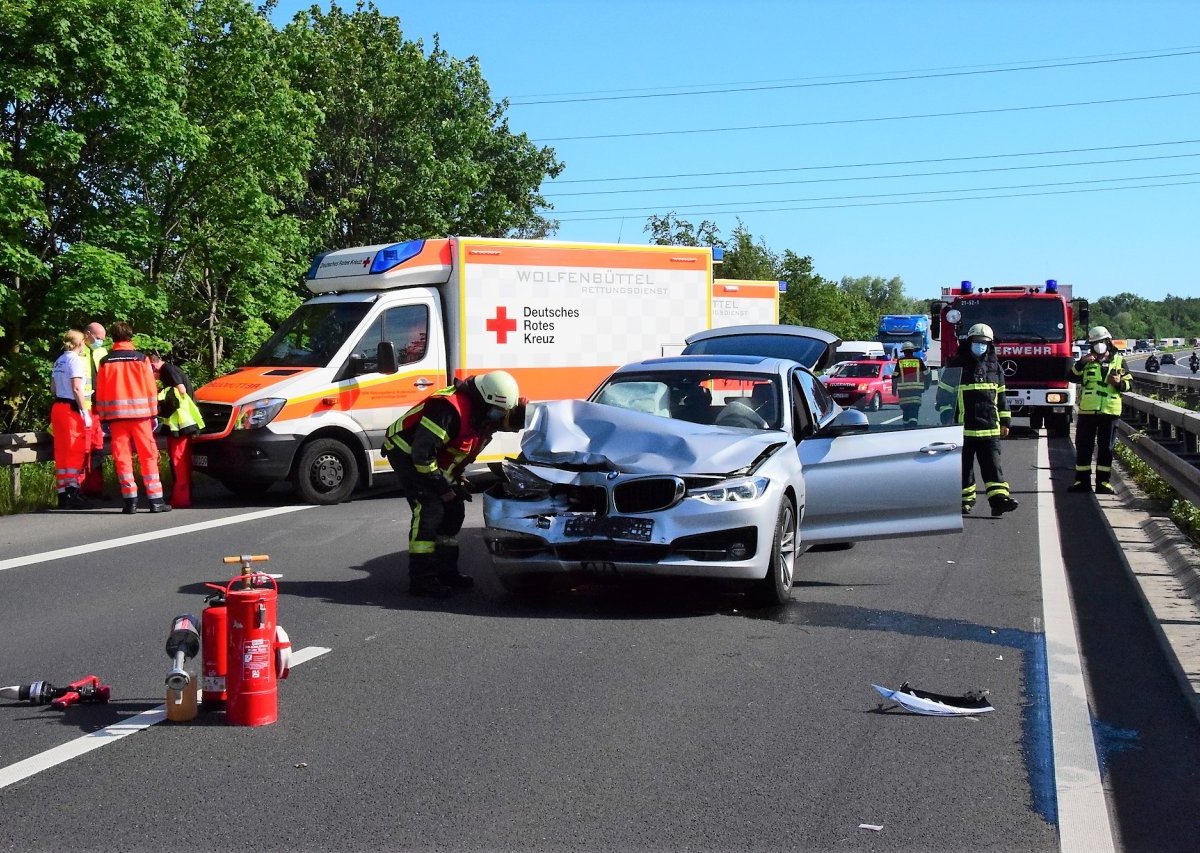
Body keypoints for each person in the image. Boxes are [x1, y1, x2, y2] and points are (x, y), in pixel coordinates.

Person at [381, 371, 526, 597]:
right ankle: (422, 580)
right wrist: (442, 488)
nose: (499, 418)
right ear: (484, 399)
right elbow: (422, 456)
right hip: (407, 453)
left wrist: (456, 477)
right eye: (498, 412)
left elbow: (465, 445)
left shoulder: (484, 412)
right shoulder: (447, 409)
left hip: (432, 460)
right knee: (430, 509)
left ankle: (447, 572)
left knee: (454, 511)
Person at [936, 323, 1019, 517]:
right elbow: (944, 396)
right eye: (977, 342)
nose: (980, 345)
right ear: (969, 342)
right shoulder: (956, 365)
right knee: (963, 469)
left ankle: (999, 501)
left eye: (984, 342)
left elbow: (1002, 397)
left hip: (990, 429)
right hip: (962, 429)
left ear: (990, 345)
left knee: (993, 468)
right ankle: (964, 502)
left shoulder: (995, 367)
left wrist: (1006, 422)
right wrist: (947, 418)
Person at [94, 321, 171, 513]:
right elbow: (150, 388)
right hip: (141, 417)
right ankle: (155, 501)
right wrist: (154, 412)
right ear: (130, 337)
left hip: (116, 418)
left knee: (122, 458)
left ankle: (130, 502)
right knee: (148, 456)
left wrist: (103, 416)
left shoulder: (105, 362)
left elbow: (101, 391)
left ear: (113, 337)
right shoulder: (141, 359)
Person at [1069, 326, 1132, 495]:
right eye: (1095, 343)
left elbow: (1129, 385)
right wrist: (1081, 362)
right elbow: (1072, 377)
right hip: (1088, 411)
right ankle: (1081, 481)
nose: (1098, 346)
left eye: (1101, 342)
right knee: (1084, 448)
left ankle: (1103, 483)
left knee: (1106, 449)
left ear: (1108, 342)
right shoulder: (1087, 361)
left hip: (1110, 412)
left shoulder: (1119, 361)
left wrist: (1119, 382)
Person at [149, 352, 205, 508]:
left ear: (153, 366)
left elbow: (181, 390)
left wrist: (163, 402)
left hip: (180, 423)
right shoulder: (170, 370)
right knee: (181, 461)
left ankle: (181, 497)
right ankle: (182, 493)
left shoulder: (168, 370)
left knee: (178, 461)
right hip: (181, 423)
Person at [50, 330, 92, 509]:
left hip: (57, 408)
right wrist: (84, 411)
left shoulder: (59, 359)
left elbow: (53, 387)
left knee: (61, 451)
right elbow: (76, 388)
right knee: (75, 449)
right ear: (80, 343)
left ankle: (62, 493)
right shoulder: (75, 360)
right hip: (70, 410)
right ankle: (73, 491)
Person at [79, 322, 108, 497]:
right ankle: (79, 490)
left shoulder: (102, 352)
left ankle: (95, 488)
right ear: (87, 334)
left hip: (98, 409)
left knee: (97, 448)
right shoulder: (76, 352)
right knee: (82, 450)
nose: (100, 342)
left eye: (102, 340)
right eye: (98, 338)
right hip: (81, 409)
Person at [893, 341, 930, 427]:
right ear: (912, 351)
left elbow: (895, 376)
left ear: (904, 352)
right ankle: (913, 425)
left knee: (905, 409)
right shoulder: (918, 361)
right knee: (914, 409)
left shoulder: (900, 362)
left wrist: (893, 390)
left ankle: (906, 426)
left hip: (903, 391)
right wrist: (926, 386)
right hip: (916, 391)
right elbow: (926, 375)